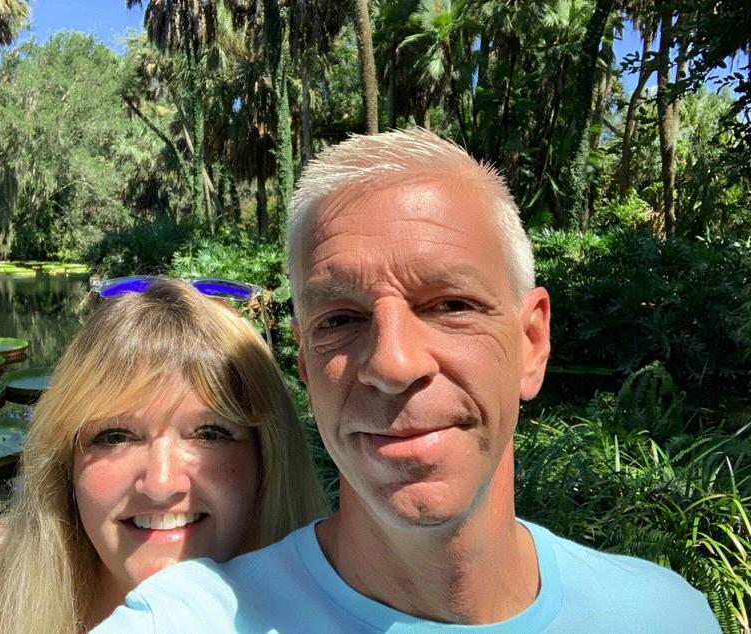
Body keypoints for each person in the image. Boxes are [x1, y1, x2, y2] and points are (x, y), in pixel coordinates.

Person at [94, 129, 719, 632]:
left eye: (450, 305)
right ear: (308, 368)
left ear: (531, 344)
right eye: (341, 319)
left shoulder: (665, 616)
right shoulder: (194, 619)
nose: (392, 363)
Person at [0, 277, 325, 633]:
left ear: (267, 459)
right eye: (115, 436)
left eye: (210, 434)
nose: (161, 485)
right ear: (65, 461)